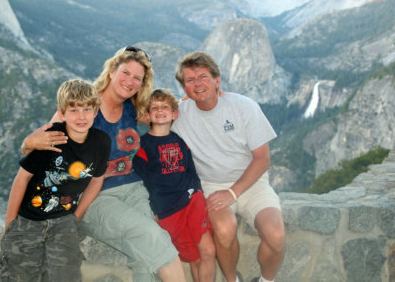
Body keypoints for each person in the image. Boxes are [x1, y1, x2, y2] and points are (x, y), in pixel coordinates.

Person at [20, 47, 186, 282]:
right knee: (150, 236)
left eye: (137, 78)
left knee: (146, 253)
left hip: (134, 190)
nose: (129, 81)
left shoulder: (131, 107)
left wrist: (190, 102)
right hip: (96, 197)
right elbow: (42, 141)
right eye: (125, 73)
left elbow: (161, 114)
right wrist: (28, 144)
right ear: (111, 72)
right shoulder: (86, 106)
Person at [172, 51, 286, 282]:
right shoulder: (178, 114)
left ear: (217, 80)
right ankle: (233, 280)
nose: (198, 84)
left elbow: (263, 158)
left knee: (276, 235)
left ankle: (265, 280)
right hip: (211, 185)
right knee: (224, 230)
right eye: (190, 81)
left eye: (203, 77)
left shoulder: (243, 106)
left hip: (252, 183)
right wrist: (175, 102)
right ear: (184, 88)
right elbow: (143, 115)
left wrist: (233, 192)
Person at [0, 79, 111, 281]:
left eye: (86, 109)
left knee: (66, 274)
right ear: (62, 112)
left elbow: (96, 180)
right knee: (17, 273)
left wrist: (76, 217)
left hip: (63, 220)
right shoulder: (52, 137)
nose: (81, 116)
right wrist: (10, 223)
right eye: (73, 110)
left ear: (96, 111)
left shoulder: (101, 142)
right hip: (28, 219)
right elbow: (22, 178)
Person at [133, 88, 216, 282]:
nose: (160, 110)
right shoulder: (143, 146)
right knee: (194, 257)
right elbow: (143, 182)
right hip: (168, 211)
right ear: (147, 115)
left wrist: (197, 192)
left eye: (165, 107)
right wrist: (154, 210)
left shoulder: (179, 141)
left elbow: (191, 170)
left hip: (191, 203)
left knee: (208, 251)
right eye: (155, 107)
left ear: (174, 114)